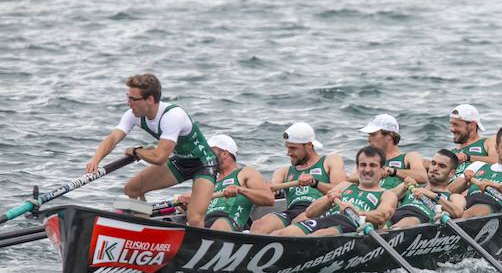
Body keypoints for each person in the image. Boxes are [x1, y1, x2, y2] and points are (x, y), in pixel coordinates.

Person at [85, 74, 217, 227]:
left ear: (150, 99)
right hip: (180, 161)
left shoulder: (172, 116)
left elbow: (159, 157)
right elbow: (113, 138)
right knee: (132, 189)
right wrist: (95, 160)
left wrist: (137, 151)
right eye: (128, 98)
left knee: (194, 219)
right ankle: (144, 225)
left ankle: (194, 246)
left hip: (203, 164)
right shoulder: (133, 115)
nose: (129, 104)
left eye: (134, 99)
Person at [274, 146, 398, 237]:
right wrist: (328, 200)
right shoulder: (344, 186)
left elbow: (382, 216)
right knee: (283, 233)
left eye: (372, 165)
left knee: (320, 235)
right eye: (362, 165)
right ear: (357, 168)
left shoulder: (387, 195)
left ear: (382, 170)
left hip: (354, 226)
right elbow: (310, 212)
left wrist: (358, 212)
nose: (367, 169)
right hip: (327, 219)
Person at [249, 122, 346, 234]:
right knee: (259, 225)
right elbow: (272, 190)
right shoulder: (283, 171)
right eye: (287, 148)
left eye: (293, 148)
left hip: (318, 212)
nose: (288, 153)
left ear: (309, 145)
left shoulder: (330, 161)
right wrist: (265, 188)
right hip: (292, 211)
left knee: (297, 222)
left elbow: (342, 190)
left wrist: (315, 183)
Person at [178, 135, 274, 231]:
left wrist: (241, 190)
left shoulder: (245, 172)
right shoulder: (209, 180)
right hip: (205, 222)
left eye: (210, 151)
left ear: (224, 153)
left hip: (228, 222)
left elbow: (269, 198)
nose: (206, 156)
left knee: (220, 224)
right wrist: (189, 204)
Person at [451, 126, 502, 217]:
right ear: (496, 148)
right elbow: (449, 191)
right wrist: (465, 180)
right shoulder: (477, 166)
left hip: (494, 210)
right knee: (456, 198)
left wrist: (497, 186)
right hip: (468, 205)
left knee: (482, 208)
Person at [351, 114, 426, 197]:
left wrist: (393, 171)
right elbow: (350, 178)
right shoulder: (368, 160)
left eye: (373, 135)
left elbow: (422, 177)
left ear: (390, 135)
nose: (369, 139)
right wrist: (377, 173)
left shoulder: (409, 157)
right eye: (369, 135)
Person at [390, 149, 466, 228]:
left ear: (451, 173)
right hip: (393, 217)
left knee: (411, 220)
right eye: (433, 163)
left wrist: (432, 195)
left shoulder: (454, 197)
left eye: (442, 166)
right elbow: (382, 197)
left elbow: (457, 213)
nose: (435, 168)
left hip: (418, 220)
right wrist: (403, 188)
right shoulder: (412, 186)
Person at [449, 104, 497, 176]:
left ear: (472, 125)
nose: (452, 129)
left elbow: (497, 161)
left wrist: (468, 157)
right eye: (451, 124)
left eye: (456, 125)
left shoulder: (487, 142)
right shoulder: (451, 152)